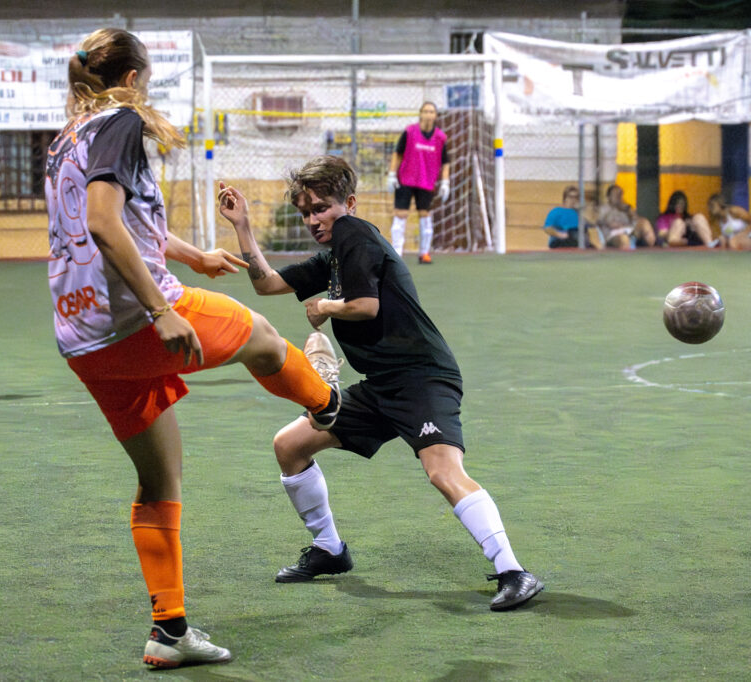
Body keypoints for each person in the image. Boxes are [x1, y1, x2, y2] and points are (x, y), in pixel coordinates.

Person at [45, 28, 340, 670]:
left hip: (82, 338)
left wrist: (194, 253)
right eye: (146, 83)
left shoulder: (67, 138)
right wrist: (159, 308)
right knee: (263, 337)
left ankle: (169, 630)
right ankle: (328, 403)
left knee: (159, 478)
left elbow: (127, 218)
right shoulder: (121, 119)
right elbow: (101, 221)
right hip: (135, 316)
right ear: (131, 79)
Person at [217, 155, 544, 612]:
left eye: (321, 208)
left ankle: (514, 571)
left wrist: (326, 308)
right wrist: (243, 226)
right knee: (290, 445)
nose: (313, 219)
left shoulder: (356, 234)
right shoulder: (334, 254)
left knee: (443, 472)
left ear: (347, 203)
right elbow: (267, 284)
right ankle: (330, 549)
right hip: (379, 385)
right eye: (305, 212)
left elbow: (366, 305)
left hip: (421, 377)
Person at [387, 101, 450, 264]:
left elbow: (445, 162)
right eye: (426, 111)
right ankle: (396, 253)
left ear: (435, 116)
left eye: (432, 112)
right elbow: (397, 153)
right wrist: (392, 174)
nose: (429, 115)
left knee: (425, 215)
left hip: (426, 181)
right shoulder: (409, 132)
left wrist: (445, 182)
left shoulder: (440, 138)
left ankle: (424, 253)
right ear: (421, 114)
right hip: (406, 179)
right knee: (400, 215)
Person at [596, 184, 656, 248]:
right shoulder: (603, 209)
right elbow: (598, 222)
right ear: (608, 196)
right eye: (615, 194)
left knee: (645, 223)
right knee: (623, 238)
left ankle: (651, 251)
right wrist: (609, 220)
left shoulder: (626, 207)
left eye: (620, 194)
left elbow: (636, 220)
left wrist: (628, 210)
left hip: (629, 231)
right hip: (612, 234)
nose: (618, 196)